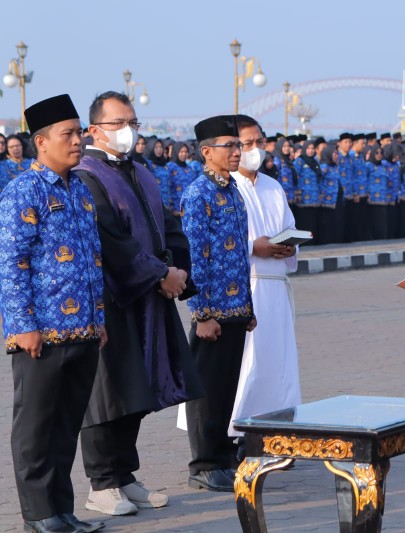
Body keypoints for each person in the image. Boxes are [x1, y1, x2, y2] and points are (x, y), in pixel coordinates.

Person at [74, 91, 204, 516]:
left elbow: (168, 226)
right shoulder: (86, 175)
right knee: (108, 392)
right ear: (94, 129)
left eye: (133, 121)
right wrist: (158, 274)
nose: (127, 130)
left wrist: (177, 273)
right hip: (113, 299)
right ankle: (101, 482)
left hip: (151, 296)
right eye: (117, 123)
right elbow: (111, 240)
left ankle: (125, 475)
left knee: (139, 389)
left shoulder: (141, 172)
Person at [0, 94, 107, 533]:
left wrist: (98, 317)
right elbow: (11, 262)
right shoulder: (23, 190)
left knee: (66, 427)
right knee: (36, 430)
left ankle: (61, 511)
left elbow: (92, 258)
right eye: (69, 133)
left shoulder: (79, 189)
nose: (78, 140)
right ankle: (38, 515)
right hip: (41, 334)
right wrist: (23, 325)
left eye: (80, 132)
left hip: (83, 331)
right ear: (41, 142)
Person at [179, 115, 256, 492]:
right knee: (208, 389)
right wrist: (202, 314)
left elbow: (241, 255)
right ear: (207, 152)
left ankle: (223, 456)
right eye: (229, 146)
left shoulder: (232, 191)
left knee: (227, 388)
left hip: (237, 308)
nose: (236, 152)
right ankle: (204, 462)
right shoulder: (198, 194)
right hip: (212, 313)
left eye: (237, 145)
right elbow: (195, 259)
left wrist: (249, 306)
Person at [228, 115, 301, 450]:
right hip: (247, 284)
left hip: (275, 284)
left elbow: (288, 225)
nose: (255, 149)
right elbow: (221, 241)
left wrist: (289, 245)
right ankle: (236, 433)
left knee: (277, 361)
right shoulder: (227, 187)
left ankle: (276, 429)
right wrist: (253, 246)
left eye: (259, 142)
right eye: (246, 143)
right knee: (246, 363)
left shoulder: (273, 186)